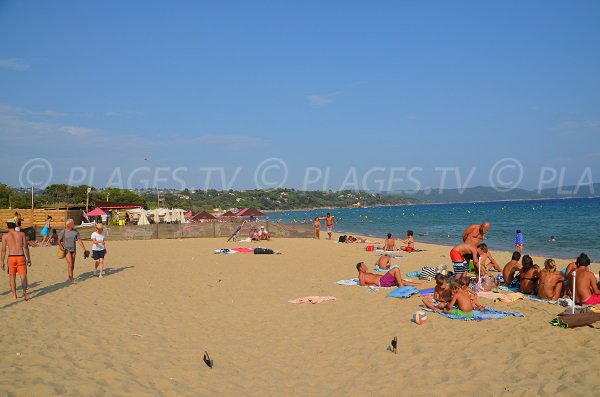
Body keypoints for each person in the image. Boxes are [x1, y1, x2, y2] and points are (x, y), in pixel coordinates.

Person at [1, 221, 32, 300]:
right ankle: (25, 293)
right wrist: (29, 259)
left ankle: (14, 295)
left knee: (12, 277)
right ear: (15, 225)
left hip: (11, 257)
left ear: (7, 226)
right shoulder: (21, 234)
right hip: (21, 256)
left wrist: (2, 262)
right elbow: (25, 247)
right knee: (23, 276)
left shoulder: (5, 236)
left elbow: (3, 250)